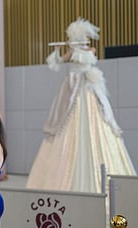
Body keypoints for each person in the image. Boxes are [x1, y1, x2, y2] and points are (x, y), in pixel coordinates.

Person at [26, 17, 136, 192]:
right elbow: (57, 62)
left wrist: (74, 49)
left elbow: (87, 56)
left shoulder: (89, 49)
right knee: (65, 121)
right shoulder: (72, 50)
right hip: (73, 88)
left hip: (90, 88)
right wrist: (58, 50)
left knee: (101, 119)